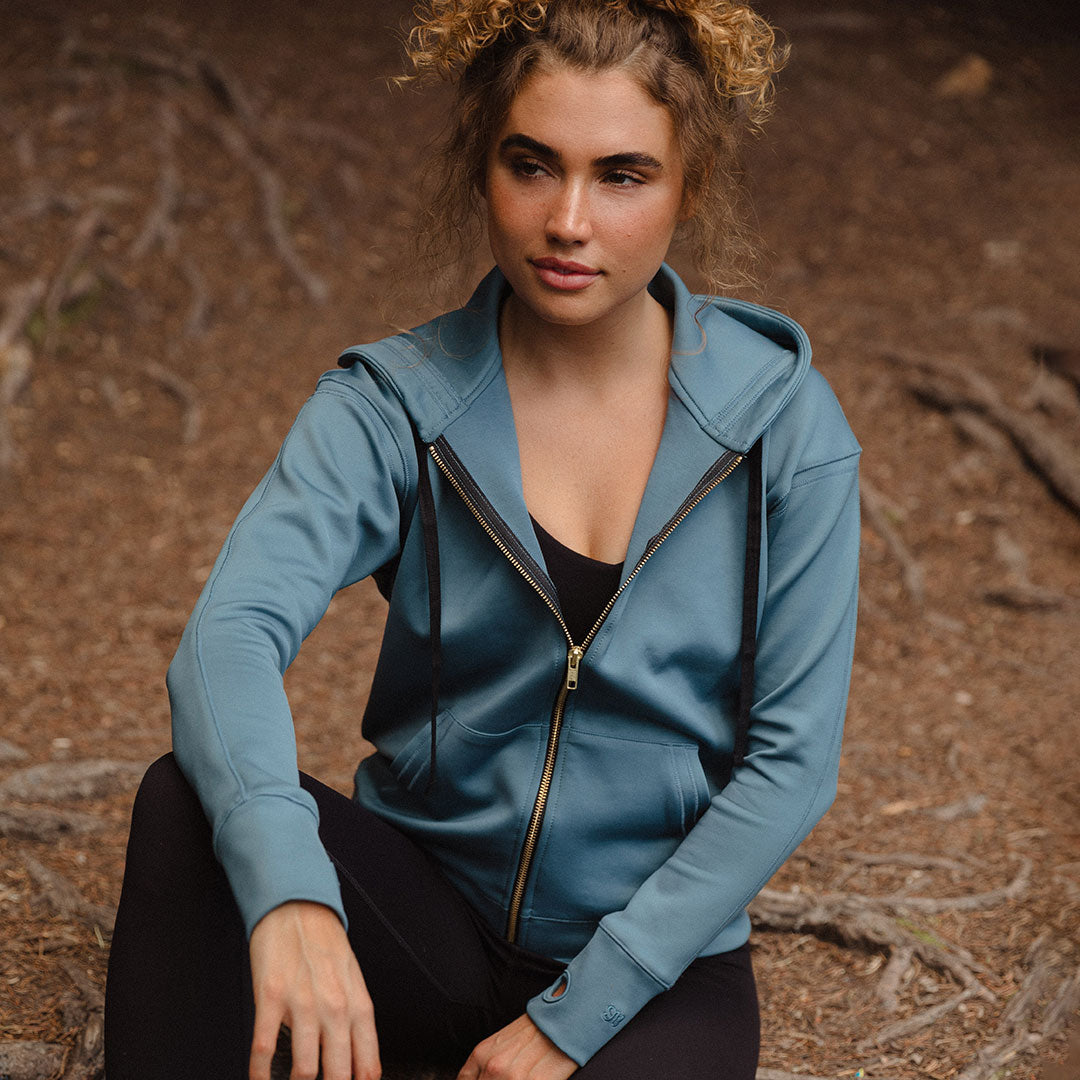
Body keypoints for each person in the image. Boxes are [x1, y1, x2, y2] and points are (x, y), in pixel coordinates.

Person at [104, 2, 861, 1079]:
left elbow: (792, 765)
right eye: (532, 165)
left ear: (689, 187)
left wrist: (570, 1021)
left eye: (623, 176)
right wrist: (292, 894)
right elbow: (228, 638)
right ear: (483, 166)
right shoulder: (394, 406)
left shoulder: (782, 426)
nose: (568, 220)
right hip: (425, 915)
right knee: (185, 806)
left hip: (651, 965)